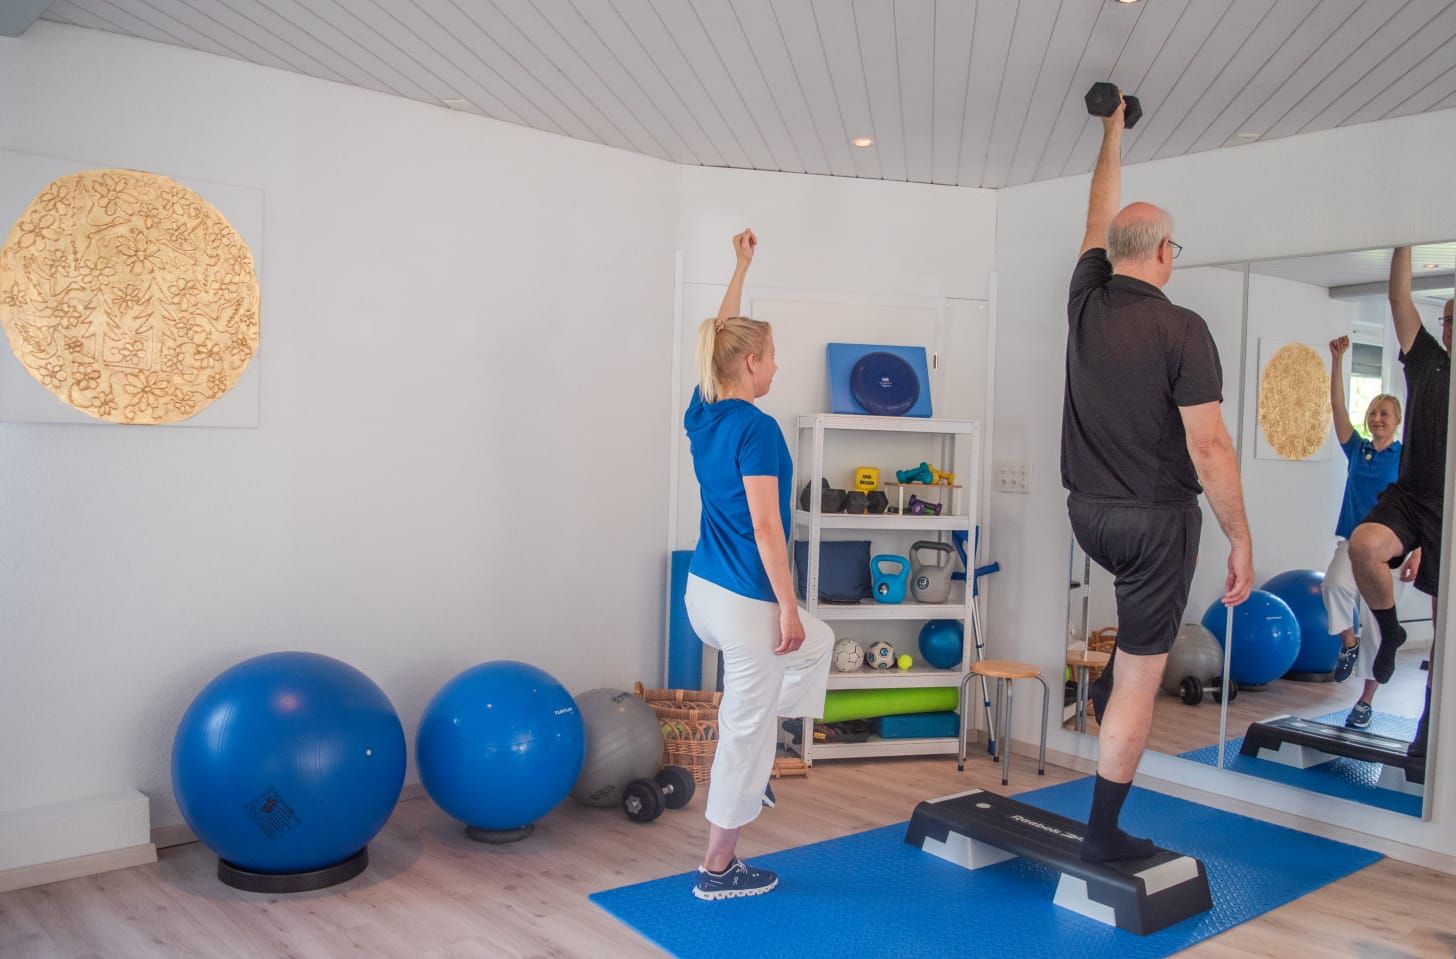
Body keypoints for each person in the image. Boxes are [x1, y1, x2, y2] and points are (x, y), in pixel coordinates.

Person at [1063, 92, 1253, 862]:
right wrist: (1242, 536)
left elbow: (1096, 213)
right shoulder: (1184, 328)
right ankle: (1101, 836)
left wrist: (1112, 132)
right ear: (1165, 252)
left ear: (1114, 253)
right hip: (1156, 523)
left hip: (1089, 516)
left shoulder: (1084, 299)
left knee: (1128, 652)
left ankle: (1110, 686)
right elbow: (1209, 447)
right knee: (1145, 675)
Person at [682, 228, 834, 900]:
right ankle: (717, 869)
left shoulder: (703, 412)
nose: (776, 366)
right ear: (749, 365)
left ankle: (763, 757)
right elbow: (769, 528)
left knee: (819, 647)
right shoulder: (757, 428)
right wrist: (789, 607)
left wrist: (740, 266)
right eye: (770, 357)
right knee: (742, 734)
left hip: (702, 593)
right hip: (747, 601)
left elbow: (718, 332)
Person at [1347, 248, 1451, 759]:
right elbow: (1398, 295)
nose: (1451, 326)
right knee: (1364, 547)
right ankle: (1388, 631)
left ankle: (1428, 732)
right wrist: (1402, 233)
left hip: (1451, 512)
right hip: (1412, 497)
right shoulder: (1430, 360)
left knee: (1447, 638)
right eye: (1449, 318)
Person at [1320, 335, 1413, 729]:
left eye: (1385, 414)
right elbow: (1337, 407)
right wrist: (1337, 361)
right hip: (1353, 541)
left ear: (1397, 420)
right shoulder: (1358, 449)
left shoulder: (1406, 457)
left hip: (1391, 551)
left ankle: (1365, 701)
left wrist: (1418, 551)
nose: (1377, 418)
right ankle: (1348, 645)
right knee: (1333, 586)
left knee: (1379, 629)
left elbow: (1420, 507)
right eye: (1374, 412)